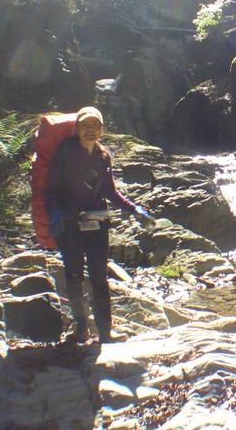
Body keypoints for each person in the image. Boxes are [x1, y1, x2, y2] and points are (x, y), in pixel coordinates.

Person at [44, 106, 155, 343]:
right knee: (74, 274)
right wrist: (53, 213)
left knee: (99, 276)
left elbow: (109, 191)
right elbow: (50, 188)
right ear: (77, 129)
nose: (91, 130)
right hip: (69, 222)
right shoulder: (66, 152)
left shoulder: (103, 156)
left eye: (95, 126)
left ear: (101, 130)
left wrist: (134, 209)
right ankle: (80, 329)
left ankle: (105, 333)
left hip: (97, 222)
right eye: (86, 125)